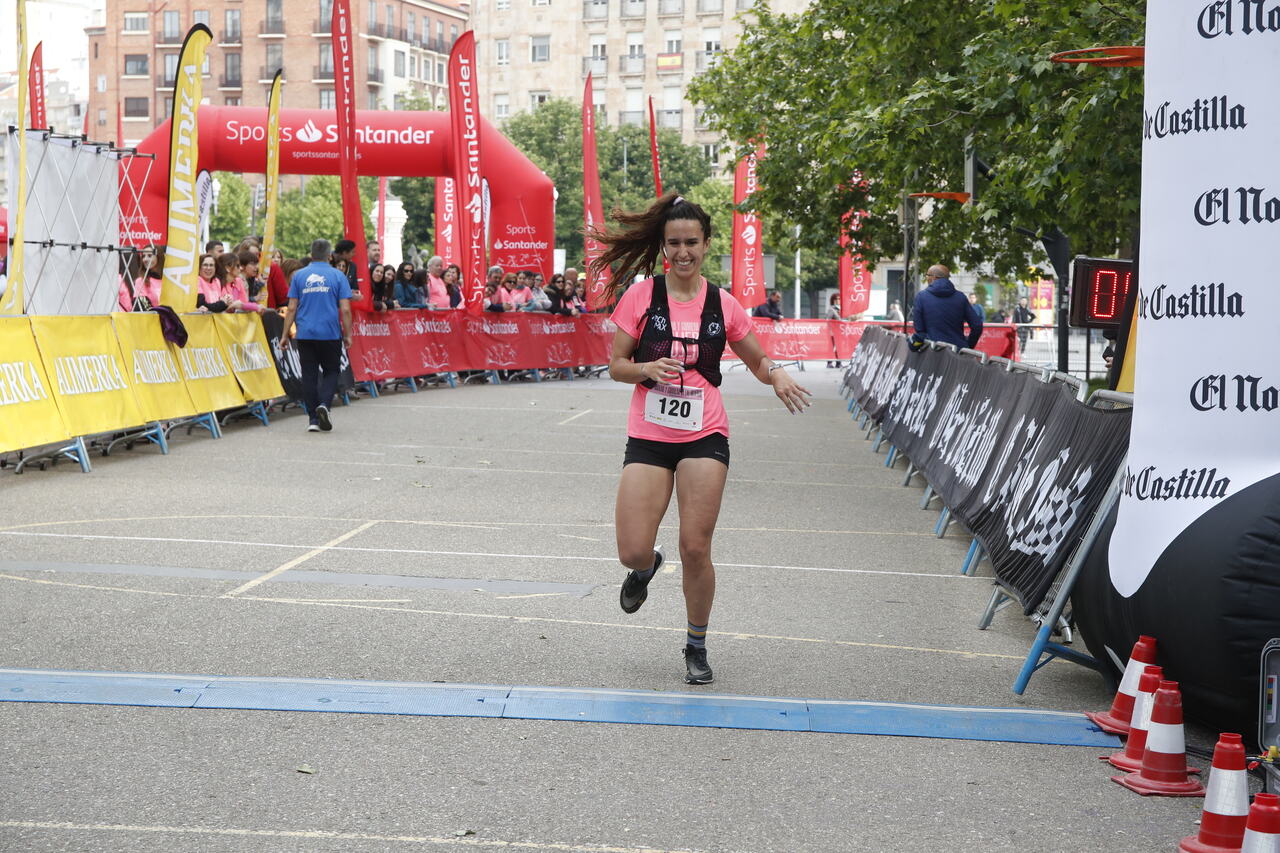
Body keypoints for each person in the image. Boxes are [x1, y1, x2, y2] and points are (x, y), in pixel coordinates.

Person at [589, 192, 811, 685]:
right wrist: (646, 367)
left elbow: (756, 359)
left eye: (692, 242)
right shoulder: (641, 297)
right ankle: (645, 570)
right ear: (663, 246)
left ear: (707, 244)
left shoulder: (722, 303)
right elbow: (616, 366)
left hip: (704, 433)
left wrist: (775, 375)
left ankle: (696, 644)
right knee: (631, 550)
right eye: (674, 243)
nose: (683, 251)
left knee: (695, 546)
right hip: (649, 433)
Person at [280, 238, 352, 433]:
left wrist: (285, 334)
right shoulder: (338, 276)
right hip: (330, 333)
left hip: (305, 333)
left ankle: (313, 419)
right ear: (330, 255)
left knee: (309, 375)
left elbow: (292, 306)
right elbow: (345, 309)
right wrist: (348, 334)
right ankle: (324, 405)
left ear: (311, 255)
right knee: (331, 371)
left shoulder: (299, 276)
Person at [911, 264, 982, 351]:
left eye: (927, 275)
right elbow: (977, 325)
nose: (926, 279)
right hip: (957, 353)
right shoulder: (960, 297)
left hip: (932, 352)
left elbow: (919, 330)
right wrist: (968, 345)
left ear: (934, 277)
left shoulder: (921, 297)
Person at [825, 292, 845, 369]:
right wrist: (830, 330)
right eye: (836, 299)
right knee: (831, 348)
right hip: (832, 332)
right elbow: (827, 320)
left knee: (840, 348)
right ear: (833, 300)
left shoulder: (843, 309)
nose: (837, 300)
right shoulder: (832, 310)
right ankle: (829, 363)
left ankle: (839, 363)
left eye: (839, 299)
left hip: (840, 332)